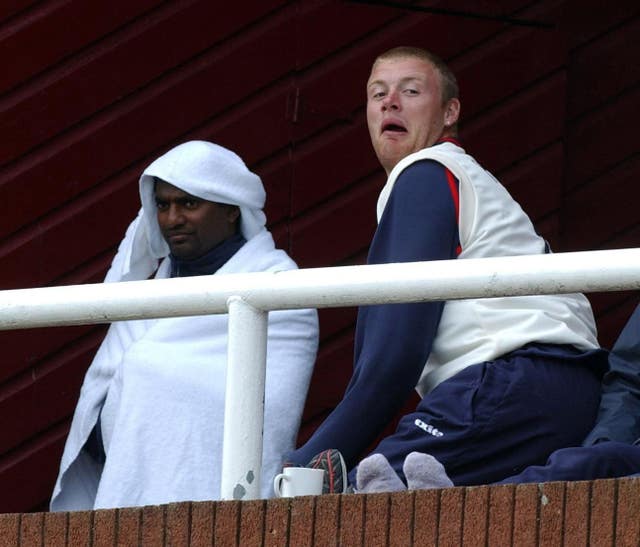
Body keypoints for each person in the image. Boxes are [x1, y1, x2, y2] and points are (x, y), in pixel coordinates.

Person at [284, 46, 608, 493]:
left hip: (507, 382)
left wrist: (307, 464)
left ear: (450, 111)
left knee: (351, 506)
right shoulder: (470, 181)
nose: (390, 102)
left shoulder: (427, 170)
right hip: (573, 392)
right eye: (377, 93)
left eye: (410, 90)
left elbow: (393, 355)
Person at [50, 141, 319, 510]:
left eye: (189, 204)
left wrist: (146, 374)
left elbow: (266, 410)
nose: (172, 218)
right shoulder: (150, 292)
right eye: (163, 205)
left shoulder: (278, 284)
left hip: (224, 511)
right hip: (127, 511)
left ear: (229, 210)